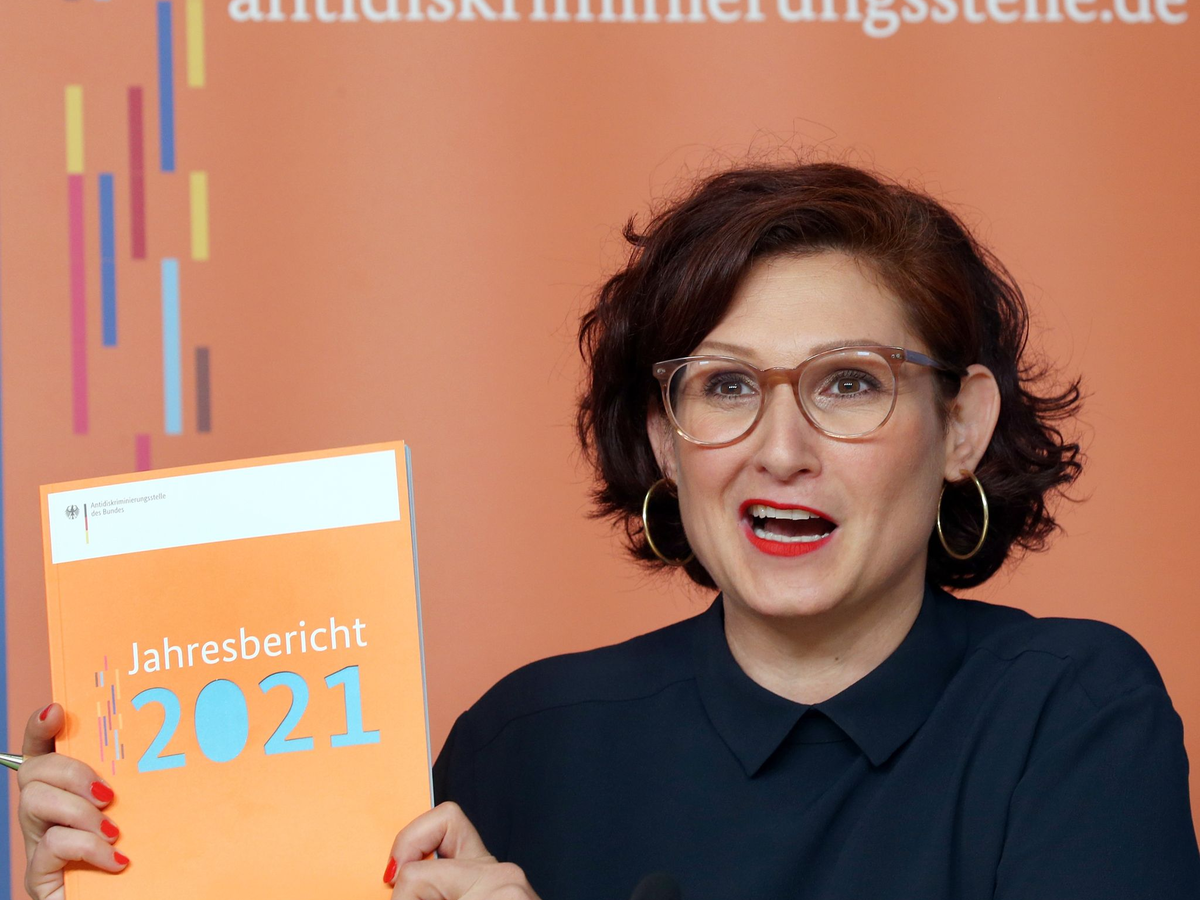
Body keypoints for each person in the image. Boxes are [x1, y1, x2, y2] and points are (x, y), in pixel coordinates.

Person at [17, 162, 1200, 900]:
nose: (780, 448)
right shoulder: (525, 743)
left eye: (848, 383)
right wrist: (108, 884)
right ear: (664, 439)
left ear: (962, 426)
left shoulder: (1070, 712)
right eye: (724, 387)